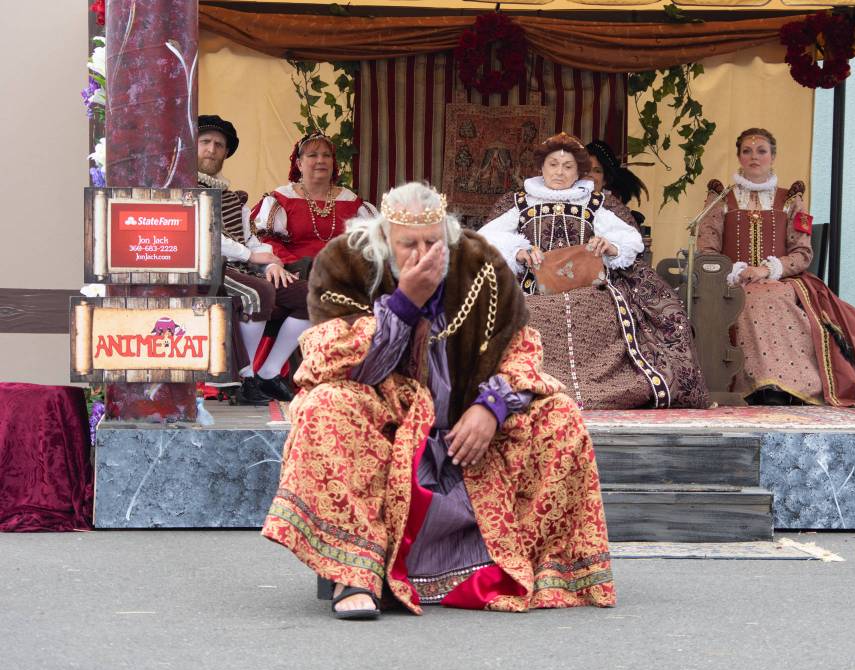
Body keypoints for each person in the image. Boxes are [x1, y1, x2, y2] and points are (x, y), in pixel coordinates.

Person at [262, 182, 615, 619]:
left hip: (468, 430)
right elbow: (332, 363)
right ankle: (353, 571)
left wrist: (492, 406)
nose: (423, 254)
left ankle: (542, 567)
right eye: (408, 244)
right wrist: (405, 303)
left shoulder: (480, 267)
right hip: (388, 422)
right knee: (323, 406)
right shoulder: (345, 266)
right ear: (384, 239)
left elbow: (522, 350)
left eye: (432, 243)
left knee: (559, 415)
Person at [479, 133, 708, 410]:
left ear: (578, 171)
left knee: (602, 309)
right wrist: (518, 251)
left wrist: (609, 245)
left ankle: (600, 389)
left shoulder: (595, 203)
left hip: (589, 286)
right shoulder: (519, 202)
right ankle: (533, 384)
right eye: (553, 165)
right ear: (541, 167)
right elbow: (487, 240)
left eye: (568, 166)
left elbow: (630, 240)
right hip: (533, 287)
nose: (559, 172)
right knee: (529, 312)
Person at [697, 127, 855, 405]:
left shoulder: (791, 200)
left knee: (772, 295)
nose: (754, 157)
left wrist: (767, 270)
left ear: (773, 157)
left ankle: (788, 384)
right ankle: (759, 384)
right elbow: (707, 249)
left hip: (783, 280)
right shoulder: (719, 199)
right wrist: (734, 272)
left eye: (761, 151)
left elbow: (802, 253)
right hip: (732, 282)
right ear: (739, 157)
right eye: (747, 151)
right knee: (750, 297)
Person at [196, 115, 309, 404]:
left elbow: (251, 239)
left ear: (226, 153)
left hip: (243, 268)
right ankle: (244, 380)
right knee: (259, 292)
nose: (211, 149)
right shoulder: (185, 190)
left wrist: (269, 261)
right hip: (208, 270)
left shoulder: (233, 198)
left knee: (311, 296)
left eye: (219, 145)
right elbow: (204, 237)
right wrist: (249, 256)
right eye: (205, 142)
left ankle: (268, 373)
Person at [251, 131, 377, 269]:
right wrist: (297, 267)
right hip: (296, 273)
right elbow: (268, 241)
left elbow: (370, 245)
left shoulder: (351, 201)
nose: (321, 160)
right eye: (312, 155)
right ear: (299, 164)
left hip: (343, 273)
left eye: (326, 155)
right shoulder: (283, 198)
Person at [585, 139, 649, 229]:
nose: (590, 175)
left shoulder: (616, 211)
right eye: (585, 169)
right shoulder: (565, 203)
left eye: (597, 171)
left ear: (605, 180)